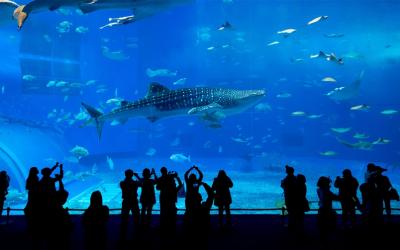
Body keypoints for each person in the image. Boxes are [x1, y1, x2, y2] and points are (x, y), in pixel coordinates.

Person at [156, 167, 183, 231]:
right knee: (171, 215)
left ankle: (163, 228)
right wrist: (177, 177)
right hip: (171, 200)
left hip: (163, 199)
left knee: (163, 213)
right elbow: (180, 185)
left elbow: (157, 188)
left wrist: (163, 186)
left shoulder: (160, 179)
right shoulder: (171, 181)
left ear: (161, 171)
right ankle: (171, 228)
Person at [120, 169, 140, 234]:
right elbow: (142, 182)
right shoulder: (135, 183)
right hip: (133, 200)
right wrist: (136, 176)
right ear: (132, 175)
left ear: (125, 175)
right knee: (136, 216)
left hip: (126, 201)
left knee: (124, 217)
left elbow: (125, 182)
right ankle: (136, 231)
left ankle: (123, 231)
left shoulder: (122, 183)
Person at [280, 165, 297, 229]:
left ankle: (291, 225)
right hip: (294, 196)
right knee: (293, 210)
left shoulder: (287, 179)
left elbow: (283, 187)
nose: (285, 171)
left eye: (286, 170)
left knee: (290, 210)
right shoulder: (295, 178)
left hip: (288, 196)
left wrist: (282, 183)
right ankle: (294, 223)